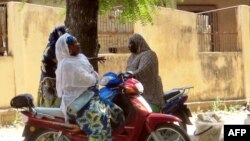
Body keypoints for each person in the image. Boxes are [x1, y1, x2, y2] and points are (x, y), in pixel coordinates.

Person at [55, 33, 112, 141]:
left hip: (88, 97)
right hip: (76, 102)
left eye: (77, 42)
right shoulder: (67, 64)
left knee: (115, 110)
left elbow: (92, 74)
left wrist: (95, 77)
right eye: (74, 43)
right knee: (98, 125)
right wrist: (94, 77)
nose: (78, 44)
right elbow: (89, 79)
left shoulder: (80, 57)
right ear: (67, 48)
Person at [126, 33, 164, 113]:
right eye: (129, 43)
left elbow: (143, 71)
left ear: (138, 43)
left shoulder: (149, 55)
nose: (129, 45)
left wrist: (130, 75)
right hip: (133, 89)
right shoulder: (131, 57)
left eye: (131, 43)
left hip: (148, 92)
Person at [38, 25, 67, 107]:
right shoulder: (51, 50)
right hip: (49, 80)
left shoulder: (62, 48)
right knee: (49, 103)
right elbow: (45, 66)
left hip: (58, 80)